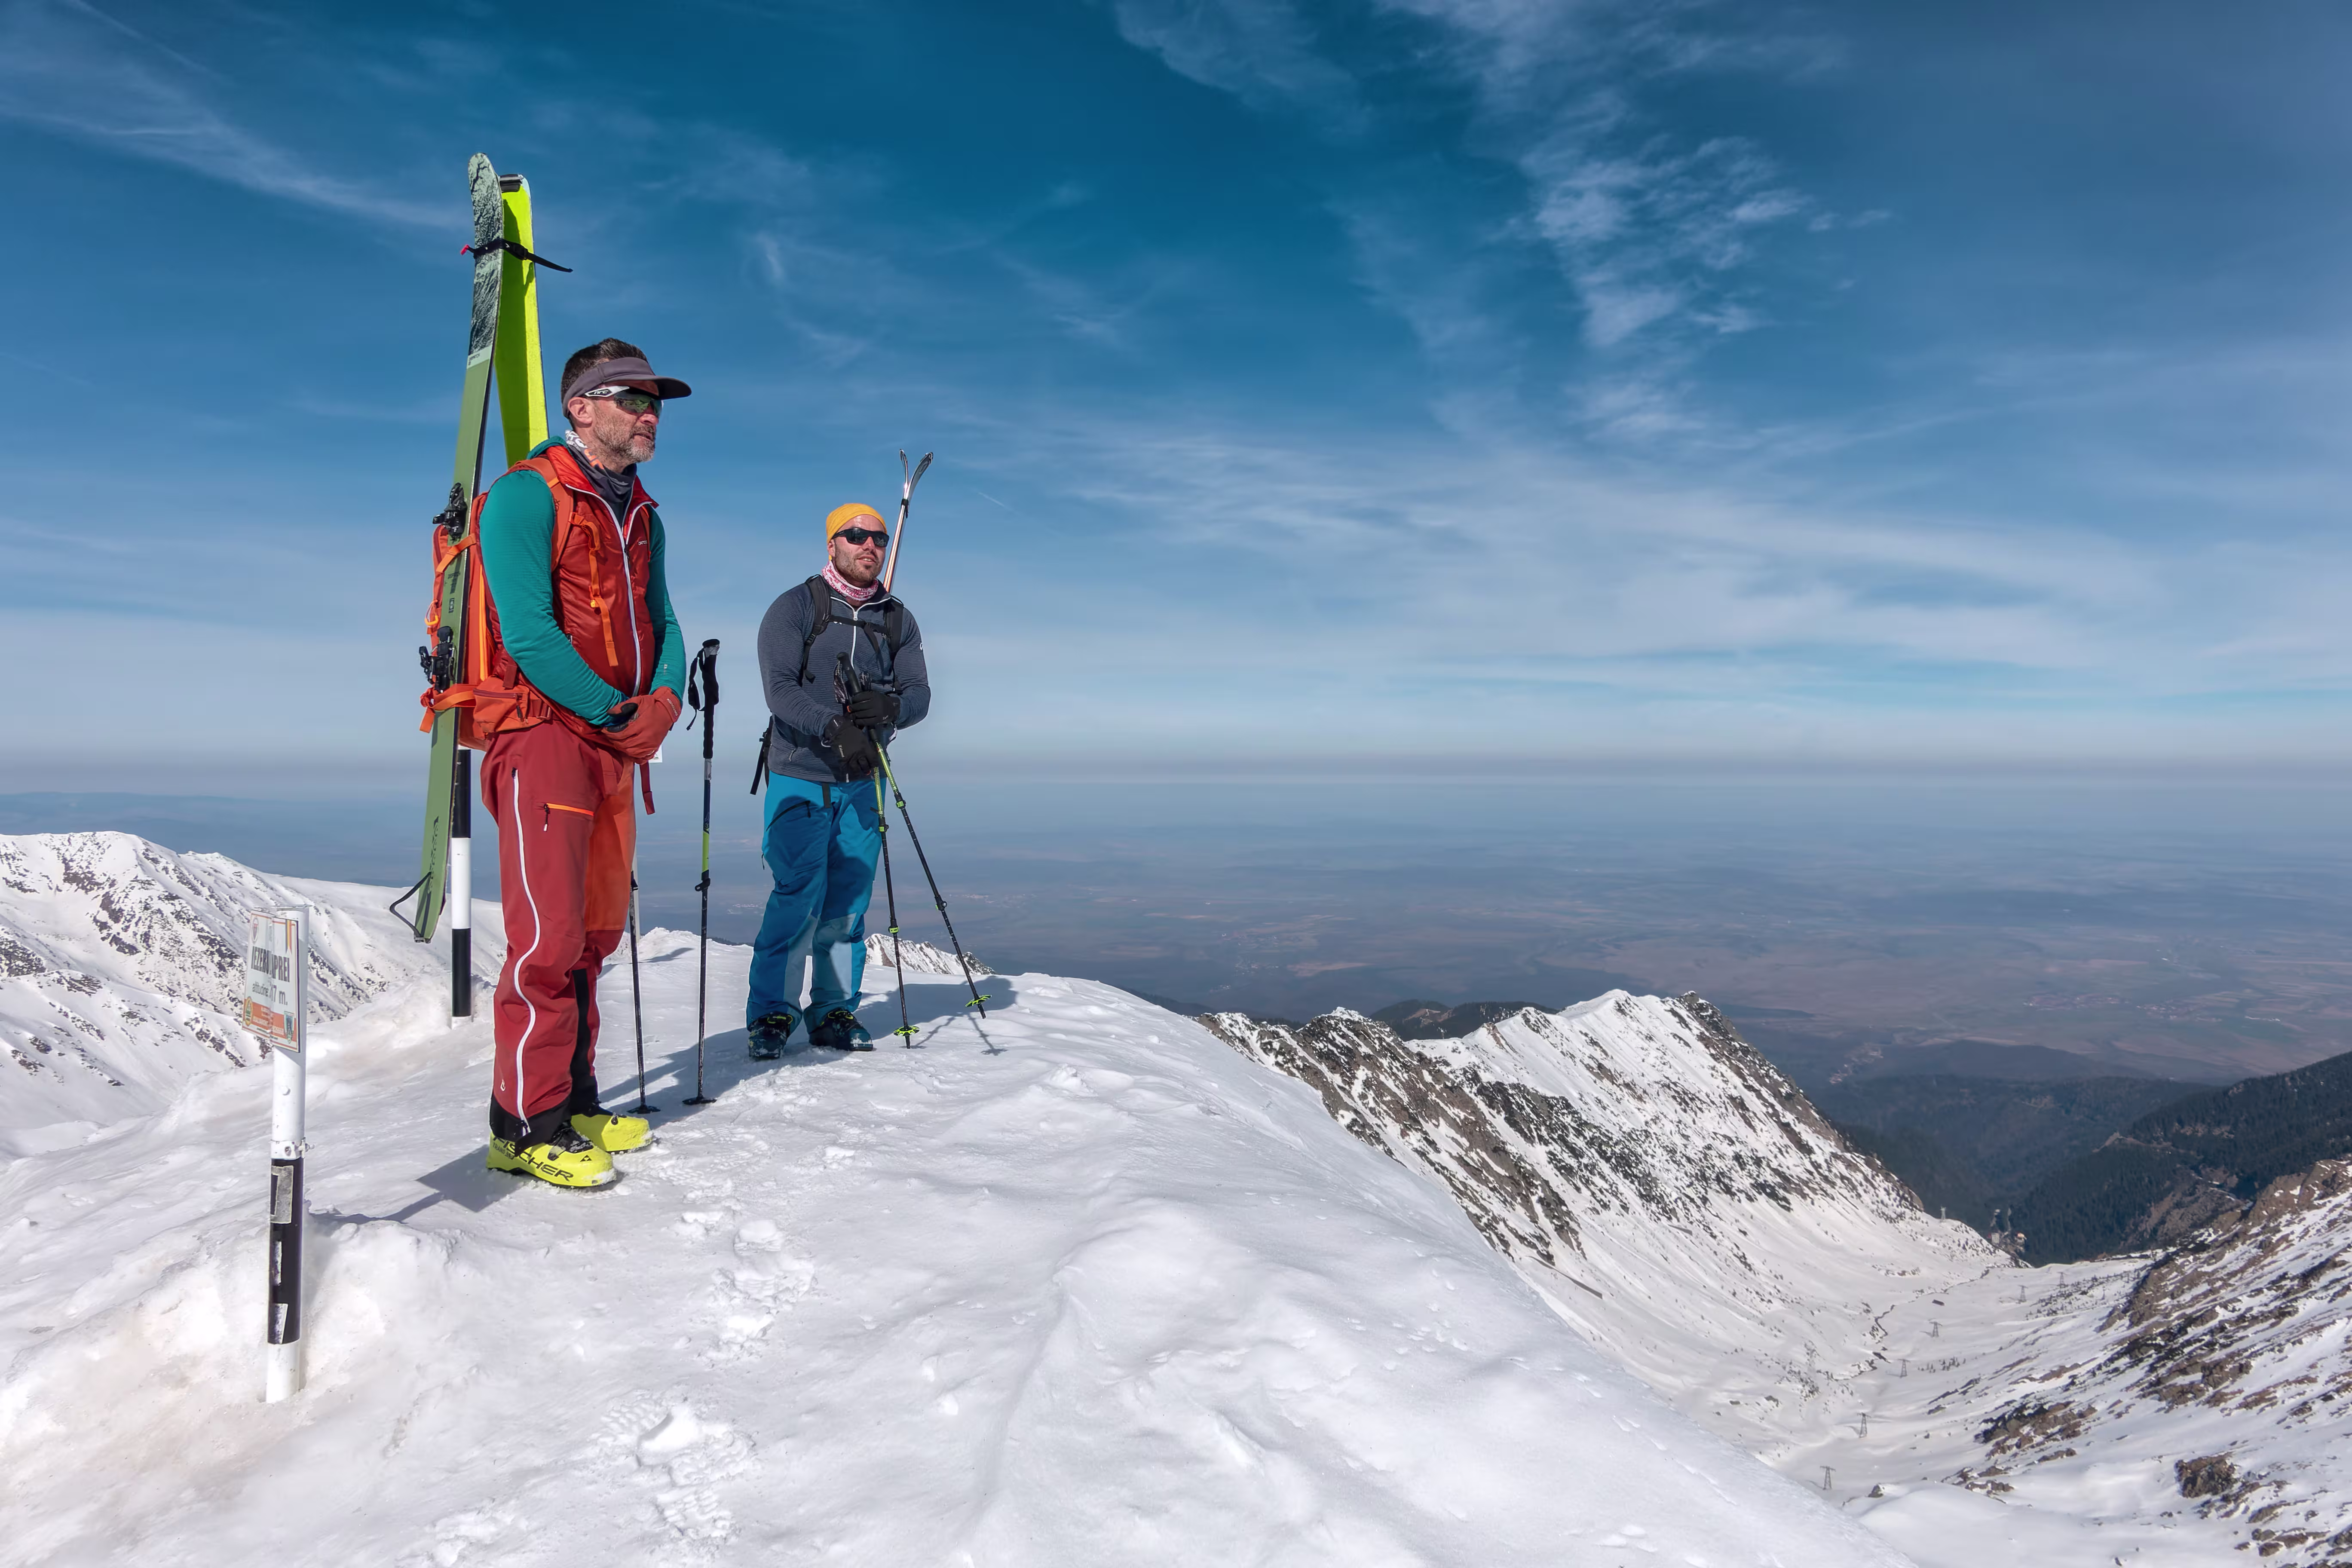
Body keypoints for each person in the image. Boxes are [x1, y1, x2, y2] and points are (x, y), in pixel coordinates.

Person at [471, 338, 689, 1187]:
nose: (649, 414)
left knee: (595, 935)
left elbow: (665, 622)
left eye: (655, 403)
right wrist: (615, 713)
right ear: (581, 407)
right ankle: (523, 1127)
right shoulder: (526, 495)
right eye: (632, 398)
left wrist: (663, 701)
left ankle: (573, 1102)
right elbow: (528, 634)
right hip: (545, 738)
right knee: (549, 940)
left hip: (614, 745)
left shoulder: (643, 514)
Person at [745, 502, 931, 1057]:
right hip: (800, 774)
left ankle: (832, 1011)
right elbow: (780, 689)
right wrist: (832, 727)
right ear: (832, 545)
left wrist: (890, 709)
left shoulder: (896, 619)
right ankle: (773, 1014)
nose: (869, 545)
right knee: (797, 895)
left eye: (878, 538)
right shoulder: (797, 606)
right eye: (854, 535)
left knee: (849, 899)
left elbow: (919, 695)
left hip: (863, 779)